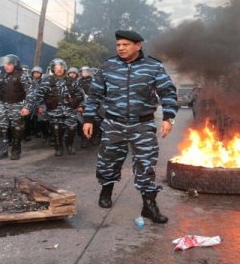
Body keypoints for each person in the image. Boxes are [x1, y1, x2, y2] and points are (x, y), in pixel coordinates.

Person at [82, 30, 178, 224]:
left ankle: (149, 206)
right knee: (108, 160)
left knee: (146, 164)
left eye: (125, 45)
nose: (121, 48)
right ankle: (106, 191)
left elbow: (167, 91)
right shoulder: (108, 66)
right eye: (118, 45)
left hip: (142, 125)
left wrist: (169, 117)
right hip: (113, 123)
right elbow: (94, 95)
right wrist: (88, 119)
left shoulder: (153, 66)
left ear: (138, 45)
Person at [37, 58, 84, 156]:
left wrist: (80, 105)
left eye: (61, 67)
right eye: (56, 67)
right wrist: (40, 106)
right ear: (53, 69)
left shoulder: (72, 81)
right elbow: (39, 95)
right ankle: (58, 147)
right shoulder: (46, 81)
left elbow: (80, 94)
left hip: (70, 110)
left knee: (72, 128)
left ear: (64, 68)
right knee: (56, 128)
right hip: (54, 110)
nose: (59, 69)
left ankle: (69, 145)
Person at [0, 54, 36, 160]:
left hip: (18, 105)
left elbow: (30, 92)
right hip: (2, 105)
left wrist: (27, 107)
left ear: (15, 64)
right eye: (5, 64)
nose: (6, 66)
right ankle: (3, 151)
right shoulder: (1, 76)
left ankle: (16, 151)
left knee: (17, 129)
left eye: (9, 64)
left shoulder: (23, 76)